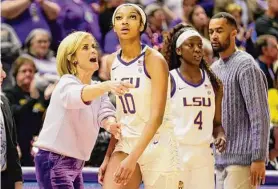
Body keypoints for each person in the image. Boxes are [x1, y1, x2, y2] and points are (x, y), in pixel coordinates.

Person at [33, 31, 133, 189]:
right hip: (53, 159)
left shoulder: (97, 88)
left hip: (76, 162)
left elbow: (105, 111)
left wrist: (110, 124)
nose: (93, 50)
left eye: (94, 46)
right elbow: (79, 96)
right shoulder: (66, 83)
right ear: (72, 58)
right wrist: (106, 85)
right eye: (85, 47)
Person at [99, 3, 180, 189]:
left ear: (142, 25)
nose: (125, 22)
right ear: (114, 27)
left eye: (132, 17)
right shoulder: (111, 61)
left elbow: (157, 117)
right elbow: (120, 114)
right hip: (126, 141)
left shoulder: (154, 60)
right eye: (119, 18)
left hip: (158, 144)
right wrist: (108, 156)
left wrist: (134, 158)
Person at [161, 23, 226, 189]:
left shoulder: (214, 83)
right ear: (178, 50)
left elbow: (217, 124)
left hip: (204, 154)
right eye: (190, 45)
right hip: (176, 152)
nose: (197, 49)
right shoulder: (169, 79)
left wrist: (220, 136)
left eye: (199, 45)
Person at [209, 12, 270, 189]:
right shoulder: (214, 68)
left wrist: (259, 157)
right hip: (220, 160)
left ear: (234, 33)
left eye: (219, 30)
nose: (213, 35)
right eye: (211, 31)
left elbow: (260, 115)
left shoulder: (246, 65)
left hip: (243, 160)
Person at [1, 62, 23, 189]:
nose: (4, 75)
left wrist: (18, 180)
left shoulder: (4, 101)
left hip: (5, 180)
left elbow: (12, 146)